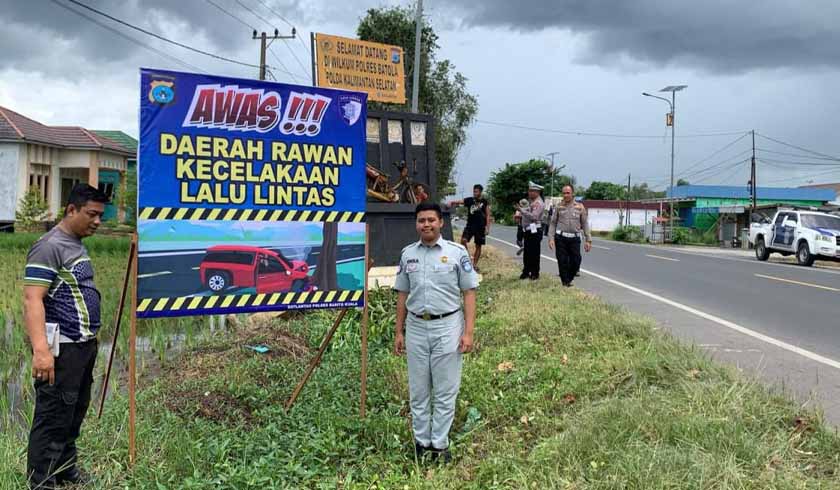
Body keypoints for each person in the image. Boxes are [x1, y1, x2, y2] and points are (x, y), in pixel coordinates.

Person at [24, 184, 108, 489]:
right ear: (71, 210)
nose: (97, 221)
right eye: (91, 214)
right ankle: (41, 482)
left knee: (73, 411)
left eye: (100, 215)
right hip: (62, 349)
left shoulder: (75, 243)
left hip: (82, 345)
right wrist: (41, 351)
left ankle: (65, 470)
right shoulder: (49, 246)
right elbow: (32, 299)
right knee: (52, 416)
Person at [393, 202, 479, 464]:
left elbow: (469, 292)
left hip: (448, 326)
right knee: (418, 390)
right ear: (416, 224)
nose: (426, 224)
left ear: (441, 222)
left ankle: (439, 444)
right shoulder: (408, 254)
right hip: (416, 327)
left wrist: (469, 332)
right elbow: (402, 294)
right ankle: (421, 443)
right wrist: (399, 331)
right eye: (421, 220)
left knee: (445, 389)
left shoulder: (456, 253)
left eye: (431, 220)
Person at [548, 184, 592, 287]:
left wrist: (588, 240)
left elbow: (585, 223)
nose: (565, 195)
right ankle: (565, 282)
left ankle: (568, 278)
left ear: (572, 194)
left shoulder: (580, 207)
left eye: (568, 193)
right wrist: (551, 238)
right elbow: (553, 223)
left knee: (576, 260)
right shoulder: (559, 206)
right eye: (564, 193)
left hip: (574, 238)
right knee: (562, 260)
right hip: (561, 238)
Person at [448, 184, 490, 272]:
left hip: (480, 227)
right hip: (470, 225)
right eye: (474, 191)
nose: (475, 193)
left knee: (478, 245)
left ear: (480, 192)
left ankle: (474, 265)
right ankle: (469, 258)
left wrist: (487, 227)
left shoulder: (484, 202)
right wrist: (452, 202)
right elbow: (460, 201)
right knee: (463, 240)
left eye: (476, 191)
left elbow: (488, 215)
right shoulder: (470, 200)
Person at [517, 182, 545, 280]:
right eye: (529, 191)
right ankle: (526, 271)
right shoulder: (531, 202)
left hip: (535, 230)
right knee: (527, 253)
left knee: (534, 253)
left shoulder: (538, 203)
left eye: (532, 191)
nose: (530, 193)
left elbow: (534, 217)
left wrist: (522, 211)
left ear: (537, 192)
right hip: (528, 230)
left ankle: (534, 273)